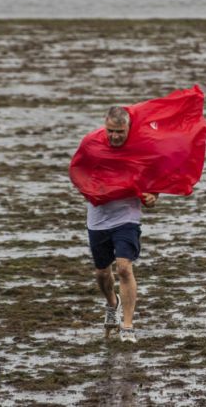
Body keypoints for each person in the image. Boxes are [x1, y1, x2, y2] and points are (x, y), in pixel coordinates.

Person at [86, 106, 157, 343]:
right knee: (101, 273)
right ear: (104, 127)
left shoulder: (141, 150)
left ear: (129, 128)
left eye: (120, 132)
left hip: (127, 217)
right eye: (111, 131)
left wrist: (152, 196)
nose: (115, 136)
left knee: (125, 268)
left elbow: (153, 180)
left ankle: (127, 326)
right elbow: (80, 174)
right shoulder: (93, 147)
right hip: (98, 219)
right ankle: (111, 303)